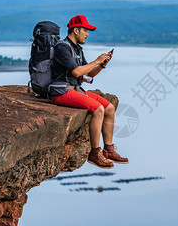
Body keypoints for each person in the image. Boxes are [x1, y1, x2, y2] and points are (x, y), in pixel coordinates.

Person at [50, 14, 128, 169]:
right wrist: (97, 61)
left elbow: (89, 73)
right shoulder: (62, 47)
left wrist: (101, 65)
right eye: (85, 30)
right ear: (76, 30)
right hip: (61, 91)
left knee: (109, 109)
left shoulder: (77, 49)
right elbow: (77, 72)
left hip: (75, 90)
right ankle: (94, 153)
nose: (87, 34)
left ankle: (109, 149)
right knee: (98, 110)